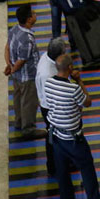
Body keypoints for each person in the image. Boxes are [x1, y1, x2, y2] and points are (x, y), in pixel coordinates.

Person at [45, 53, 100, 199]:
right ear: (70, 68)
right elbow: (87, 102)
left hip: (56, 136)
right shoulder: (73, 88)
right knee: (86, 167)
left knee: (62, 171)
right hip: (74, 138)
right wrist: (79, 80)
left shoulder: (48, 83)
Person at [4, 3, 48, 140]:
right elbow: (22, 60)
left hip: (17, 76)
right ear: (29, 19)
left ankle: (19, 121)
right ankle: (28, 128)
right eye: (33, 13)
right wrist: (12, 68)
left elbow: (6, 48)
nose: (35, 15)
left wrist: (8, 65)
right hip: (28, 76)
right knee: (29, 101)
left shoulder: (14, 30)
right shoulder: (27, 39)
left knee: (18, 98)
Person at [36, 36, 68, 175]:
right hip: (50, 108)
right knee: (52, 136)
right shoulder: (47, 74)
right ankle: (53, 166)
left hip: (50, 105)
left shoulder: (46, 57)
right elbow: (51, 96)